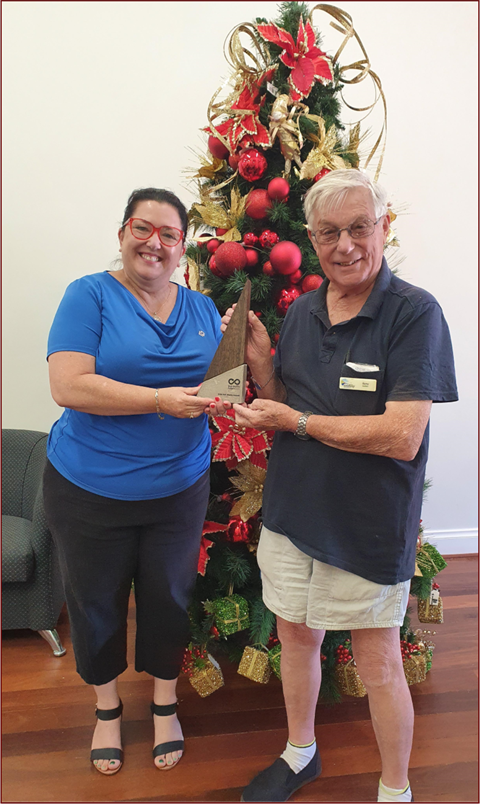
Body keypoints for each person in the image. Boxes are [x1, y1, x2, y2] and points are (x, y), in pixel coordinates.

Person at [221, 170, 458, 803]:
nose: (345, 245)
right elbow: (281, 405)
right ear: (312, 238)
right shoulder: (301, 309)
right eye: (329, 232)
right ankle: (301, 754)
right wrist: (266, 369)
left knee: (378, 663)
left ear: (385, 227)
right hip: (294, 514)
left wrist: (293, 420)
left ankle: (395, 790)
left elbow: (402, 436)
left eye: (360, 228)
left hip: (367, 525)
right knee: (297, 637)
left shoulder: (415, 313)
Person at [43, 188, 223, 775]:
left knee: (169, 597)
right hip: (90, 488)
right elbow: (68, 385)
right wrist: (157, 402)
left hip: (180, 486)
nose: (155, 243)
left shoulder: (201, 309)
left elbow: (220, 387)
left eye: (169, 234)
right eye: (143, 229)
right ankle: (107, 709)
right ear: (123, 233)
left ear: (182, 248)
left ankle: (166, 703)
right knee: (96, 603)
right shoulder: (88, 295)